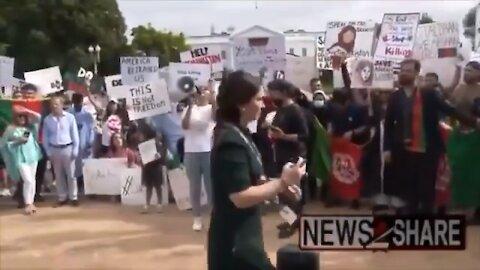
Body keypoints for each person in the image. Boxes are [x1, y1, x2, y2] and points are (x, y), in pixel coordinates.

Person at [208, 70, 305, 270]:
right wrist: (281, 182)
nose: (263, 104)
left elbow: (251, 179)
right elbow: (240, 196)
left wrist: (280, 187)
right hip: (235, 245)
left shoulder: (240, 133)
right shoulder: (230, 140)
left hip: (246, 240)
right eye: (259, 99)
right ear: (242, 103)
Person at [383, 59, 480, 215]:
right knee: (408, 185)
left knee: (427, 186)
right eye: (402, 70)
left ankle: (426, 217)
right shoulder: (396, 97)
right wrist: (387, 148)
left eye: (408, 70)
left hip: (428, 147)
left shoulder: (428, 94)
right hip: (403, 148)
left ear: (416, 73)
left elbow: (450, 110)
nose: (404, 73)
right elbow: (388, 125)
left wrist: (474, 122)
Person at [181, 84, 215, 231]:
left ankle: (214, 218)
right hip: (191, 151)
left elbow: (215, 115)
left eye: (204, 90)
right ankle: (197, 218)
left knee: (211, 187)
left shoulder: (210, 109)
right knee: (194, 186)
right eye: (199, 90)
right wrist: (189, 107)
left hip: (208, 150)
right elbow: (185, 126)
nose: (201, 92)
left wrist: (213, 96)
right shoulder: (188, 109)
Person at [0, 105, 42, 215]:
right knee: (27, 180)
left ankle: (31, 202)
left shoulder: (30, 127)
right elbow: (3, 144)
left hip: (32, 156)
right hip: (19, 158)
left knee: (32, 180)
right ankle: (27, 203)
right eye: (19, 116)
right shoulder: (10, 129)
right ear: (15, 117)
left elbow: (38, 117)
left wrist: (26, 110)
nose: (22, 118)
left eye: (24, 116)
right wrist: (17, 141)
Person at [42, 96, 80, 207]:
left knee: (71, 174)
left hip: (68, 148)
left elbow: (75, 134)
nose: (54, 106)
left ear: (62, 105)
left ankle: (73, 197)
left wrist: (75, 149)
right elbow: (45, 137)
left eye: (56, 104)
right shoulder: (47, 120)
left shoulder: (70, 117)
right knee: (58, 175)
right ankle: (62, 197)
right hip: (54, 149)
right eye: (52, 104)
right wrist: (48, 151)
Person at [128, 120, 166, 214]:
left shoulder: (156, 143)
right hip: (147, 167)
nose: (139, 135)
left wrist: (159, 155)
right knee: (149, 187)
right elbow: (139, 154)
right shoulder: (141, 145)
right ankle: (147, 205)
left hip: (156, 167)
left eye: (141, 133)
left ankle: (159, 204)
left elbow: (162, 153)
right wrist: (140, 157)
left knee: (158, 187)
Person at [68, 93, 95, 193]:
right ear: (73, 102)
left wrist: (91, 142)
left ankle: (90, 188)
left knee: (87, 166)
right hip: (73, 145)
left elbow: (91, 130)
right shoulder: (69, 114)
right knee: (75, 167)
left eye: (79, 102)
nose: (78, 104)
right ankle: (77, 187)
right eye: (76, 102)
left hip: (85, 144)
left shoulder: (87, 115)